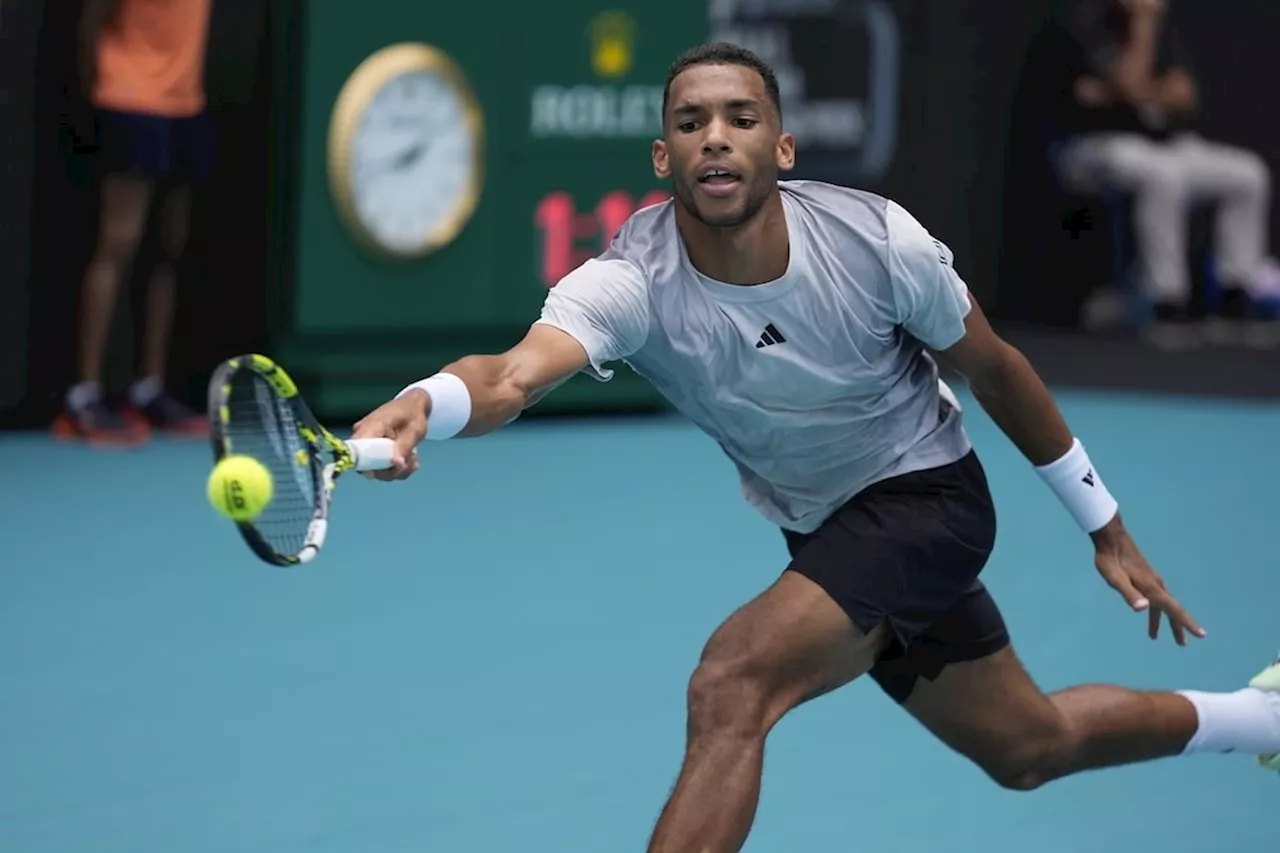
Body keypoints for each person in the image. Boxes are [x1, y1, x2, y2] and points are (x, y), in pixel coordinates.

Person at [352, 42, 1280, 853]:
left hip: (928, 502)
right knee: (1027, 745)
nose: (716, 134)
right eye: (692, 121)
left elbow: (996, 370)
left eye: (741, 117)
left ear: (781, 149)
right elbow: (514, 375)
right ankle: (1262, 716)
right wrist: (424, 401)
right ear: (663, 158)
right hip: (828, 531)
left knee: (733, 679)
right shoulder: (630, 280)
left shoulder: (876, 243)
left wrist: (1103, 524)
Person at [1053, 0, 1280, 349]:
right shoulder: (1083, 25)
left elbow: (1184, 96)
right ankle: (1166, 301)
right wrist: (1143, 28)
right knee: (1163, 176)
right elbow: (1128, 82)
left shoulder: (1165, 31)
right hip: (1091, 145)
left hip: (1162, 144)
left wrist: (1135, 92)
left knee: (1248, 175)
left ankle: (1236, 295)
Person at [53, 0, 213, 446]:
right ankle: (84, 394)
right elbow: (90, 23)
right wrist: (92, 94)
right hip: (128, 99)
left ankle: (149, 388)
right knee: (118, 242)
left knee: (170, 249)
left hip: (187, 103)